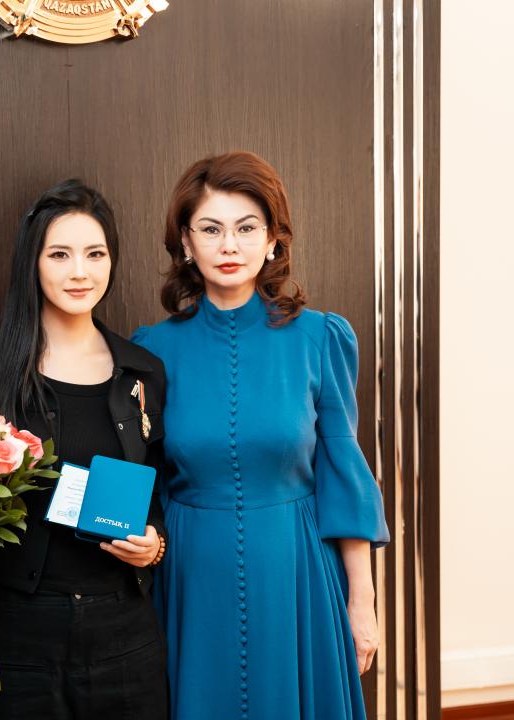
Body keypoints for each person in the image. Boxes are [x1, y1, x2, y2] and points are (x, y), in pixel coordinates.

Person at [131, 152, 389, 720]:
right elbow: (140, 475)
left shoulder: (320, 338)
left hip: (297, 574)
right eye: (211, 229)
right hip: (191, 579)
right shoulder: (150, 351)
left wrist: (363, 602)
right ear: (186, 241)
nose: (230, 245)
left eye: (246, 228)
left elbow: (343, 475)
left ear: (272, 239)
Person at [0, 179, 169, 719]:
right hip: (16, 636)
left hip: (124, 634)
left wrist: (154, 545)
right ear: (31, 263)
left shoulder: (143, 372)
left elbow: (160, 491)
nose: (80, 271)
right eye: (60, 254)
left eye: (95, 254)